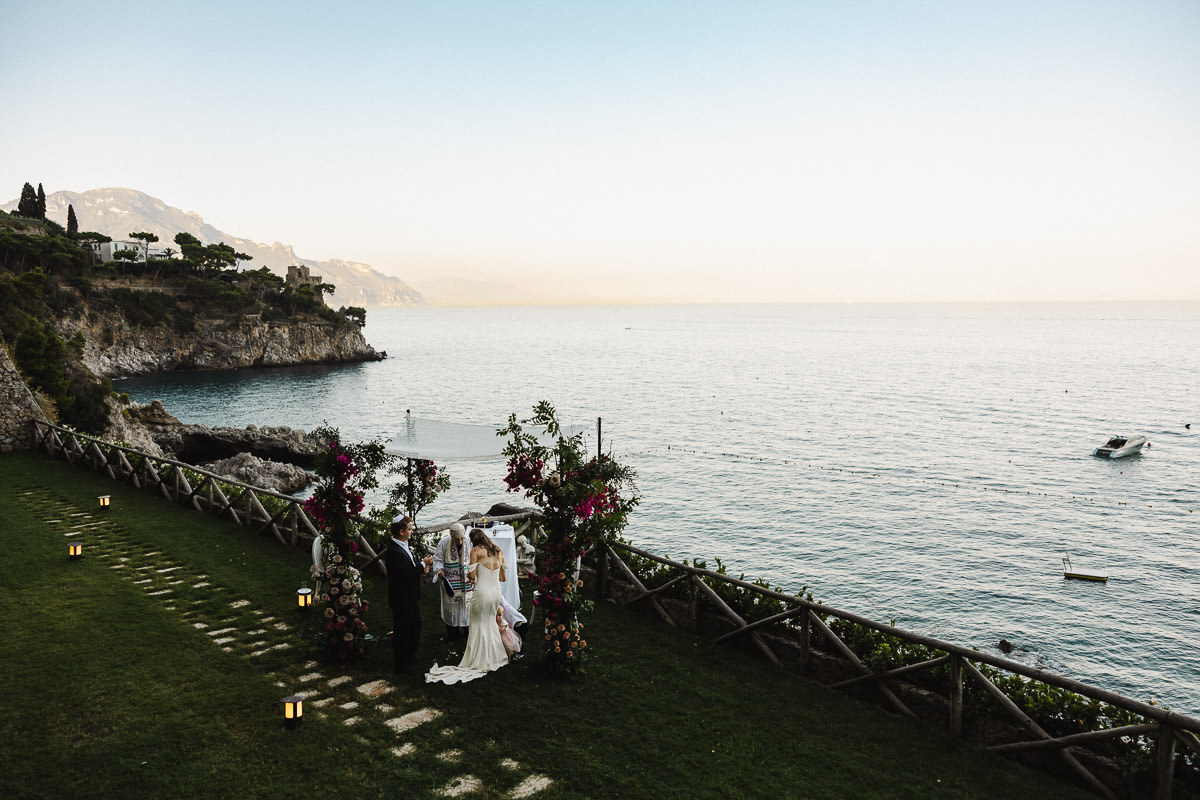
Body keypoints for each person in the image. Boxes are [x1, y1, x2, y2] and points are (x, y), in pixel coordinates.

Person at [425, 528, 510, 684]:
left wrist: (478, 573)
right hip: (496, 593)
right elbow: (503, 577)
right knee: (490, 623)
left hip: (482, 593)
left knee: (477, 624)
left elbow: (471, 576)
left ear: (472, 540)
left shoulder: (476, 551)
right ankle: (494, 655)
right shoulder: (499, 551)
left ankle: (478, 658)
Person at [385, 515, 433, 675]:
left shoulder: (402, 544)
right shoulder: (393, 551)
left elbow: (410, 567)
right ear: (401, 531)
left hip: (410, 596)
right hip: (401, 598)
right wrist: (423, 564)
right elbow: (404, 574)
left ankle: (410, 656)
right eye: (410, 529)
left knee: (415, 626)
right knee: (402, 631)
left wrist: (421, 567)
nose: (412, 532)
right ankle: (401, 664)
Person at [431, 522, 472, 641]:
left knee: (467, 607)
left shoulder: (469, 541)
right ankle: (453, 634)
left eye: (461, 539)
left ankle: (468, 632)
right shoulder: (444, 543)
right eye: (456, 539)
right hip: (451, 582)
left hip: (466, 583)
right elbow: (438, 559)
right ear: (451, 536)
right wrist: (440, 569)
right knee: (452, 608)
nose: (459, 541)